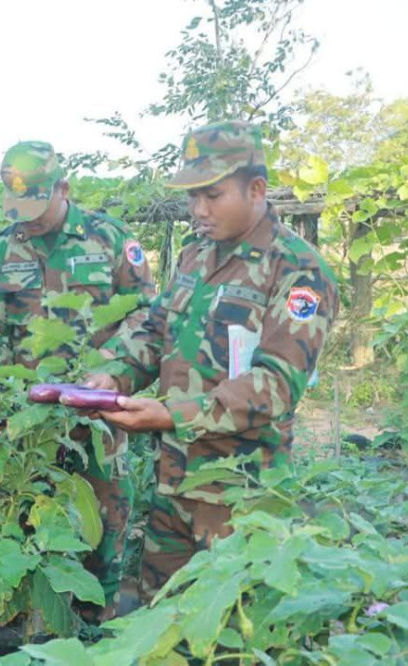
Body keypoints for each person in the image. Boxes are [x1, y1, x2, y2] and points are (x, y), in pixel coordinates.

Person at [86, 120, 340, 600]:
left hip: (241, 495)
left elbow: (277, 384)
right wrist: (113, 375)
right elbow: (155, 328)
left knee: (232, 623)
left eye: (213, 195)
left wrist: (170, 415)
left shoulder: (297, 269)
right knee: (159, 617)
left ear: (256, 189)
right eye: (192, 197)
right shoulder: (196, 256)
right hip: (174, 484)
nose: (198, 210)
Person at [0, 140, 156, 617]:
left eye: (36, 204)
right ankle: (36, 630)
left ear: (63, 189)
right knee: (27, 526)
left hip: (97, 415)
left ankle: (99, 623)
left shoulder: (109, 239)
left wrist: (115, 366)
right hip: (30, 423)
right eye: (17, 205)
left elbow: (147, 317)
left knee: (105, 522)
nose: (27, 219)